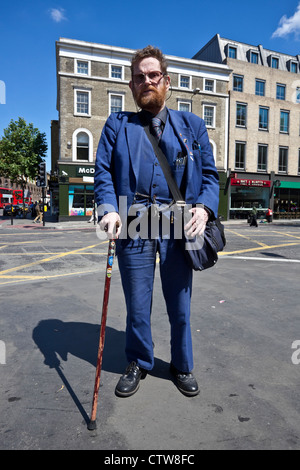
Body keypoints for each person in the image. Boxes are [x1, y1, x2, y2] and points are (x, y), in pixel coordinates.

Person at [94, 46, 219, 398]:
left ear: (166, 81)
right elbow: (103, 172)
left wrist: (204, 209)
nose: (146, 81)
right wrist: (109, 208)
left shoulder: (192, 125)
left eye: (153, 75)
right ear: (132, 85)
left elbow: (210, 176)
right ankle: (139, 360)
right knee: (137, 303)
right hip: (133, 222)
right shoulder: (117, 125)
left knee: (180, 305)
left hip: (179, 223)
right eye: (139, 77)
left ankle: (181, 364)